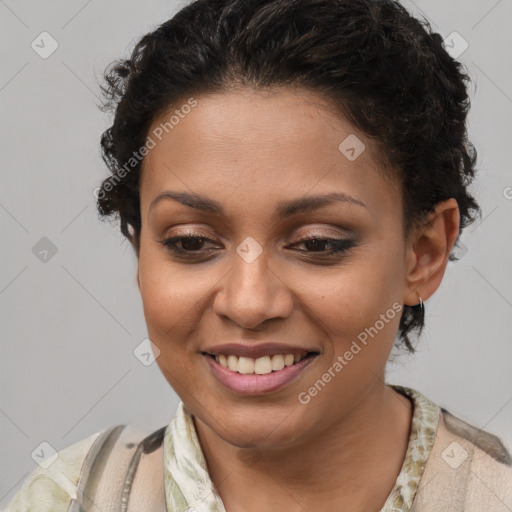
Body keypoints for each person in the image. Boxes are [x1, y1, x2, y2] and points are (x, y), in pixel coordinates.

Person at [3, 0, 512, 510]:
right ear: (140, 251)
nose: (248, 304)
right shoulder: (66, 500)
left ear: (423, 253)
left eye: (317, 243)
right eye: (190, 242)